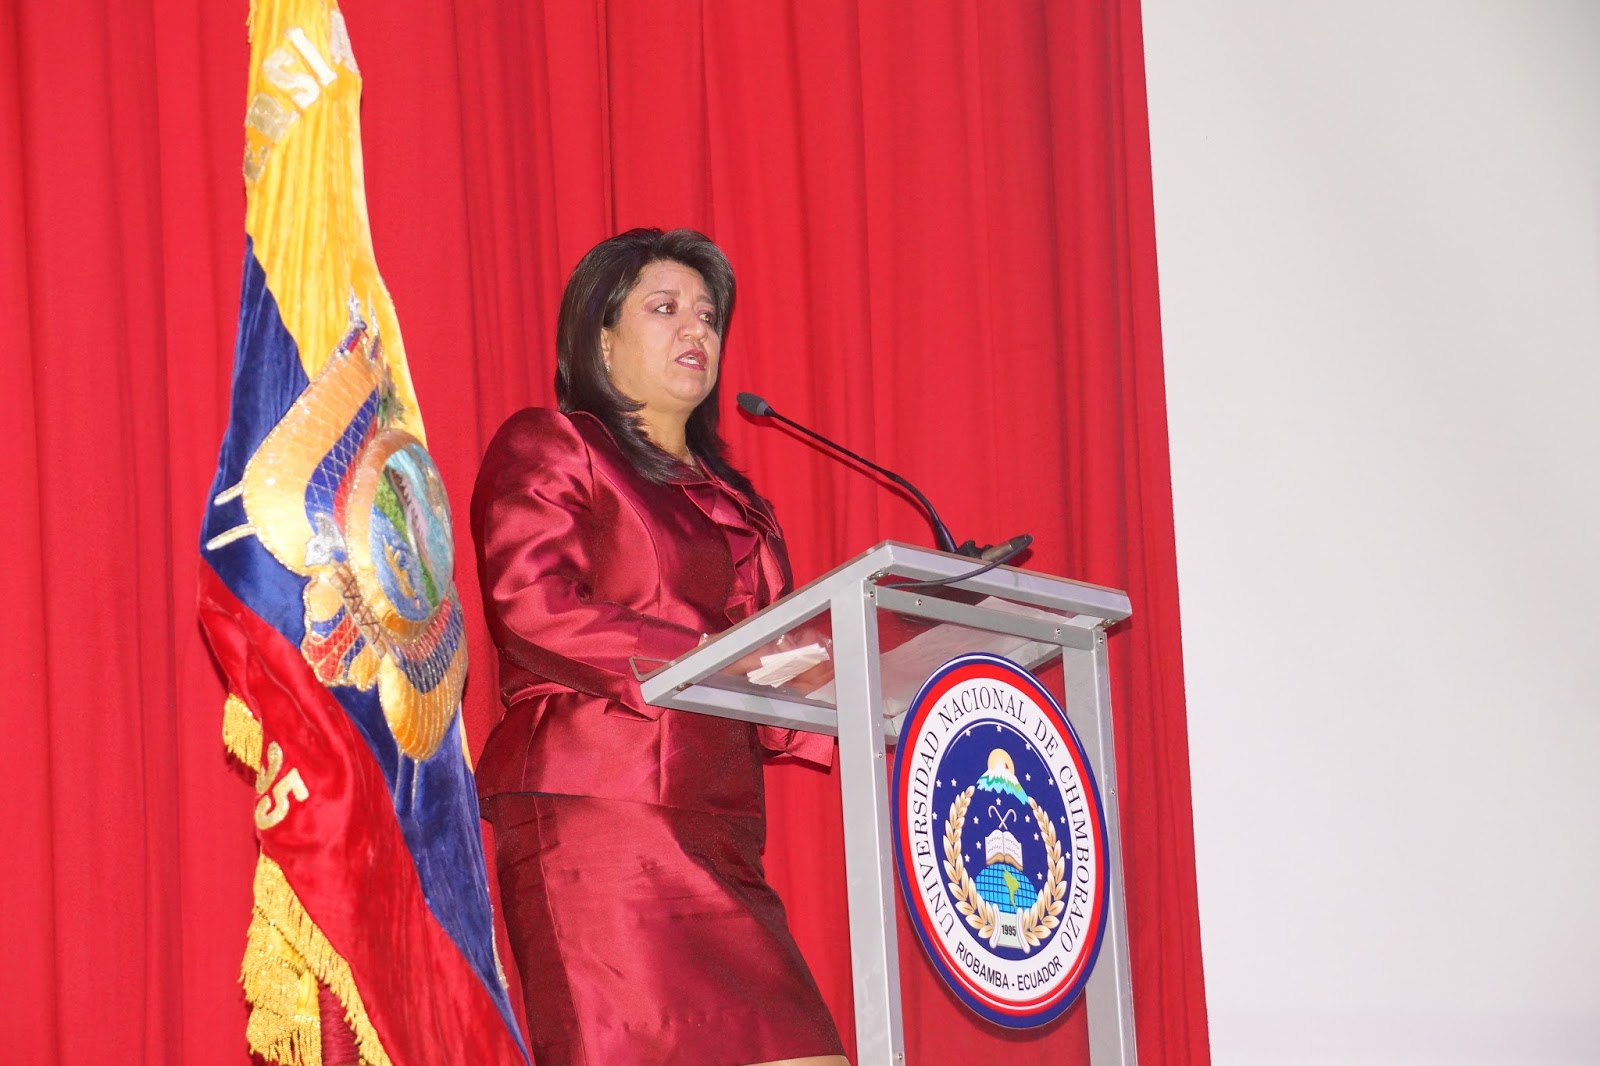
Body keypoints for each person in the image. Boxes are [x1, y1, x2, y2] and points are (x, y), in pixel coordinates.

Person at [471, 228, 847, 1066]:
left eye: (708, 316)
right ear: (600, 339)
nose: (696, 331)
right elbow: (533, 606)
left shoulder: (735, 502)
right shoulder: (557, 444)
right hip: (600, 816)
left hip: (720, 830)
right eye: (666, 308)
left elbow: (772, 671)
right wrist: (714, 654)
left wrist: (868, 671)